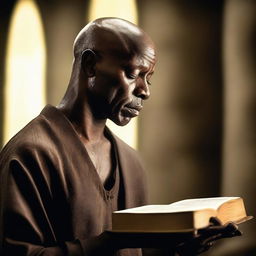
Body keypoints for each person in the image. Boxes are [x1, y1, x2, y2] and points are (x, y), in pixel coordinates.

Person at [0, 18, 241, 256]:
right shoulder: (30, 153)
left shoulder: (130, 161)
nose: (144, 91)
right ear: (90, 65)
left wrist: (179, 251)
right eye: (132, 73)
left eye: (149, 78)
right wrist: (111, 242)